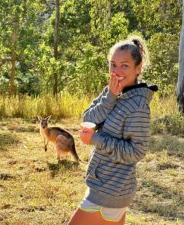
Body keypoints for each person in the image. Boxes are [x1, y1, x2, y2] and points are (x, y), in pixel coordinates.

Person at [68, 35, 158, 225]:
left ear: (138, 67)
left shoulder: (138, 105)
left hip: (111, 189)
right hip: (104, 184)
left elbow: (137, 151)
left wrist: (97, 140)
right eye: (113, 65)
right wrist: (109, 97)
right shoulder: (111, 90)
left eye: (124, 65)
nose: (117, 71)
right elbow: (88, 119)